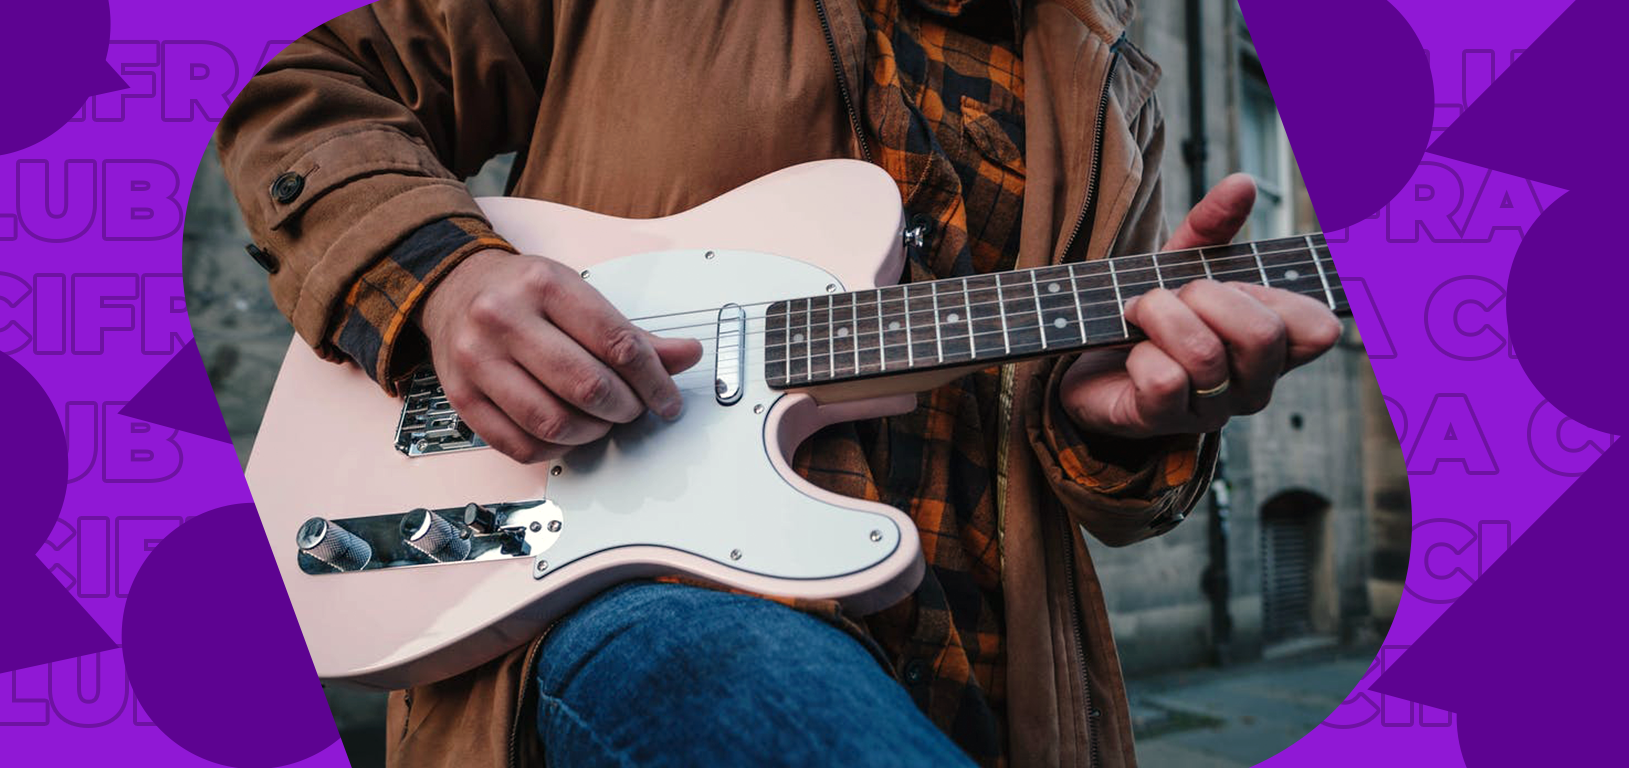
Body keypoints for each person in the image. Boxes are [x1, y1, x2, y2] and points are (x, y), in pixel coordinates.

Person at [218, 0, 1342, 765]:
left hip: (979, 673)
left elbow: (1086, 447)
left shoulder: (1106, 84)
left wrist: (1138, 420)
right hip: (610, 595)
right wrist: (443, 282)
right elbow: (293, 73)